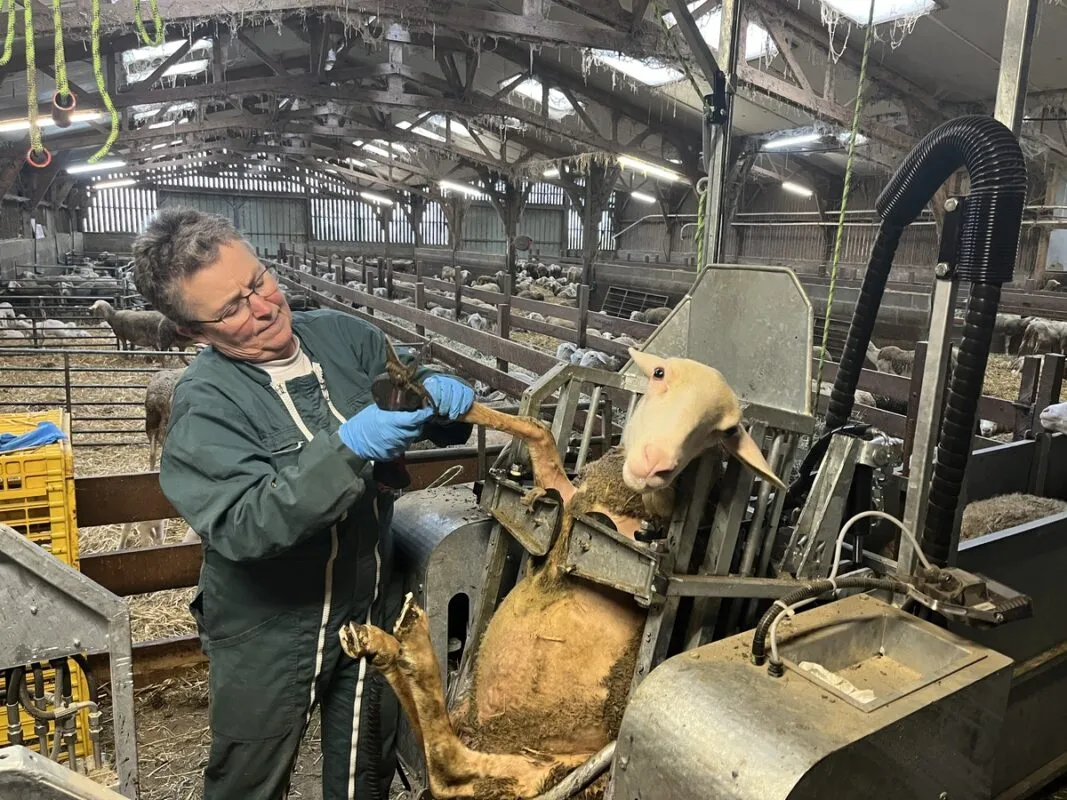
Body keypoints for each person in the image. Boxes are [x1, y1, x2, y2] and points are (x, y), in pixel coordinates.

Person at [132, 208, 474, 800]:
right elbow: (244, 523)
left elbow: (410, 397)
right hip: (269, 626)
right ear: (193, 332)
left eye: (259, 281)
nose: (264, 307)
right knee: (251, 779)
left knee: (364, 767)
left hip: (368, 604)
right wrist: (348, 448)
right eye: (231, 310)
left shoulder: (348, 339)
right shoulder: (206, 404)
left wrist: (444, 402)